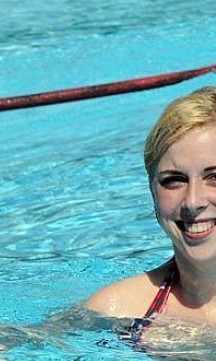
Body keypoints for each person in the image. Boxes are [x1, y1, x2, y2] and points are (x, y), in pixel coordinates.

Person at [85, 86, 216, 340]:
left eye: (215, 177)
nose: (192, 202)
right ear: (152, 190)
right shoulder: (119, 308)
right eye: (174, 180)